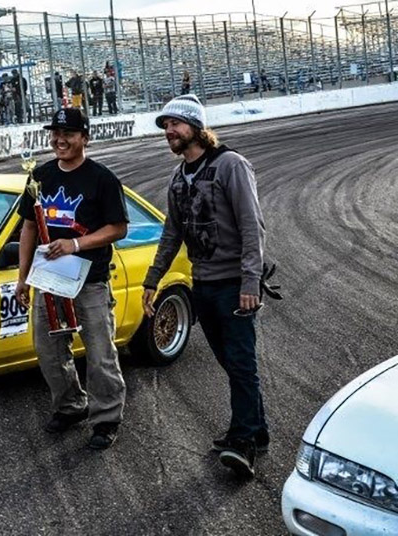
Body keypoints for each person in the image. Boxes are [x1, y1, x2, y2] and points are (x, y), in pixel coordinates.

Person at [143, 94, 268, 478]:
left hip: (235, 285)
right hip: (204, 285)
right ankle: (255, 430)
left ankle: (244, 442)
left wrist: (251, 280)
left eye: (175, 124)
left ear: (196, 127)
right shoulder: (178, 179)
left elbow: (252, 225)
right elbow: (171, 234)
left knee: (242, 364)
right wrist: (153, 279)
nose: (169, 132)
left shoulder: (231, 165)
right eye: (165, 126)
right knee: (231, 363)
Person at [15, 108, 129, 450]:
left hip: (89, 280)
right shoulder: (40, 176)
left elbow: (118, 228)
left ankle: (106, 419)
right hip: (47, 280)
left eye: (68, 134)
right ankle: (70, 406)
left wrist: (75, 244)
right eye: (55, 133)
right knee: (48, 349)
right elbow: (29, 227)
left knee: (99, 353)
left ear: (85, 138)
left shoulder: (102, 178)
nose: (59, 140)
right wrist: (23, 279)